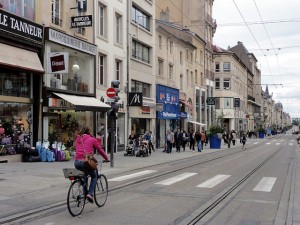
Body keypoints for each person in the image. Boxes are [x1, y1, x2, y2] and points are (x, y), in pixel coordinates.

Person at [74, 126, 110, 203]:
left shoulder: (78, 139)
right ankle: (90, 194)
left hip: (76, 162)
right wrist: (107, 159)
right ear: (89, 132)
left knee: (85, 174)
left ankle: (84, 192)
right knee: (94, 176)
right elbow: (100, 150)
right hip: (86, 162)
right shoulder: (92, 139)